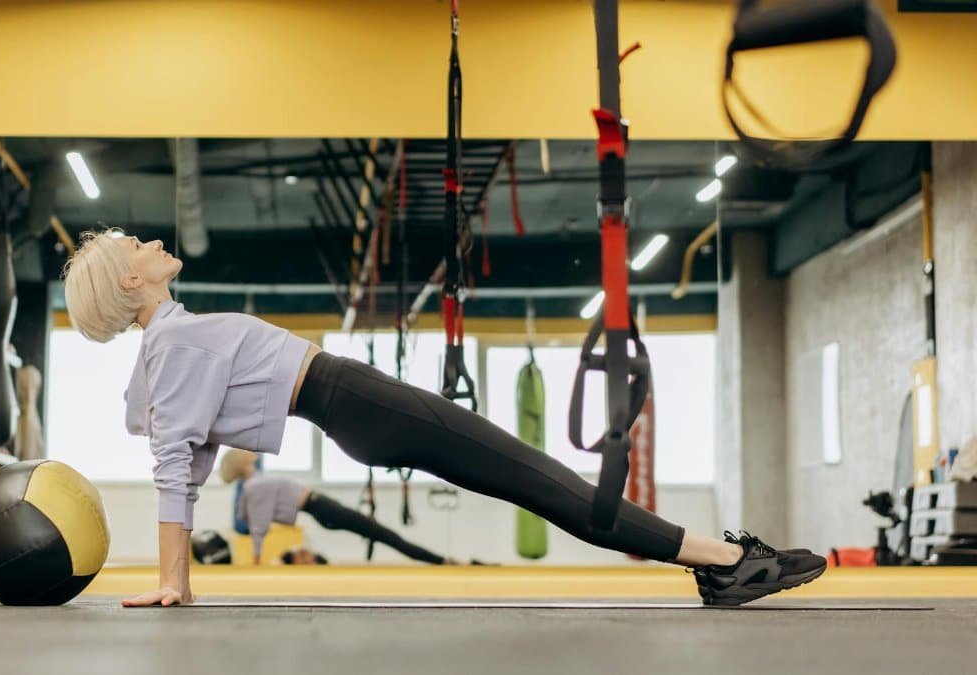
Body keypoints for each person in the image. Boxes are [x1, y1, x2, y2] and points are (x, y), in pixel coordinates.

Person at [61, 229, 827, 608]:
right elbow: (174, 461)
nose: (153, 240)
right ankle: (721, 561)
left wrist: (179, 579)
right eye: (138, 243)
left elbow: (182, 452)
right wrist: (174, 580)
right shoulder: (176, 343)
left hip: (354, 406)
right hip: (352, 400)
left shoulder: (174, 341)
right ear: (131, 276)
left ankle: (715, 561)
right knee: (548, 480)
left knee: (541, 484)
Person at [220, 448, 459, 566]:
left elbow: (246, 515)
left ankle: (441, 560)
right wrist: (256, 562)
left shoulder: (255, 484)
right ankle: (442, 562)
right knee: (387, 536)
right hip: (323, 509)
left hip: (322, 509)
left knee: (385, 535)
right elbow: (258, 525)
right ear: (240, 463)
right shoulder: (255, 486)